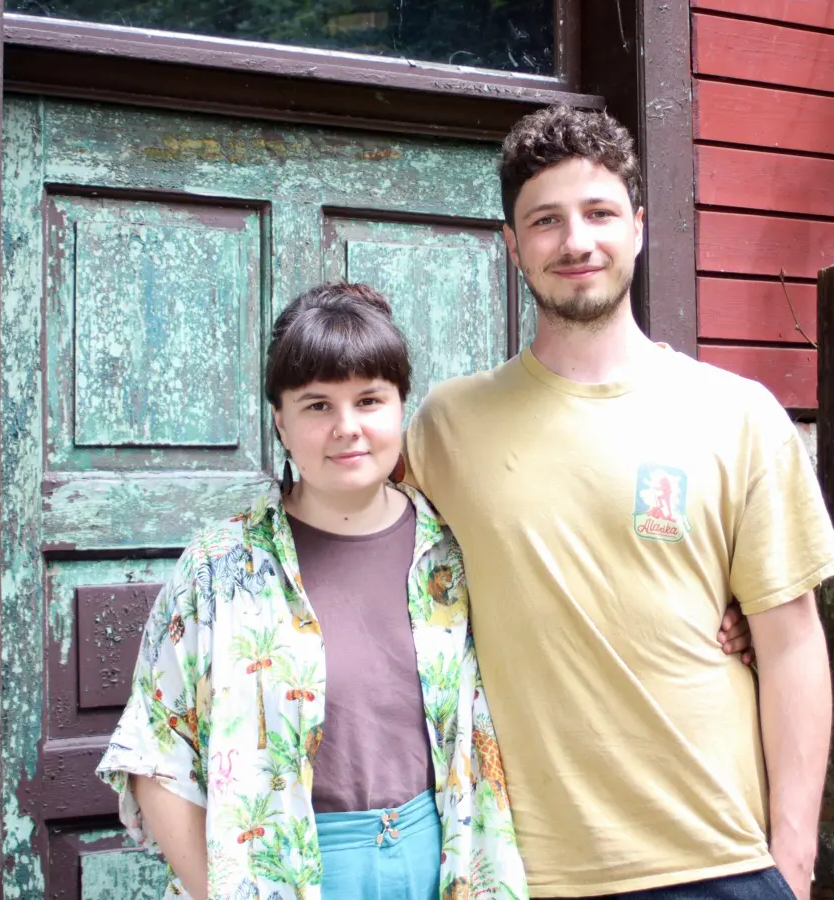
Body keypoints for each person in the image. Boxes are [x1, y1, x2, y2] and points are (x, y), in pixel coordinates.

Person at [399, 105, 834, 900]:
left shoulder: (737, 416)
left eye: (600, 213)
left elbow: (790, 646)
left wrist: (794, 863)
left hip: (720, 858)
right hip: (525, 867)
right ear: (511, 245)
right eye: (545, 221)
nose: (576, 242)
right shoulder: (444, 427)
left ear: (638, 227)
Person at [96, 283, 527, 900]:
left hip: (445, 862)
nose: (347, 428)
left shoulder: (454, 550)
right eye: (318, 405)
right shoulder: (221, 568)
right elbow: (156, 756)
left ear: (401, 405)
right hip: (285, 871)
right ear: (280, 419)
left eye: (369, 400)